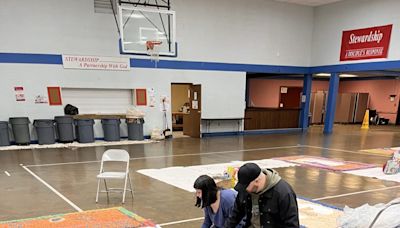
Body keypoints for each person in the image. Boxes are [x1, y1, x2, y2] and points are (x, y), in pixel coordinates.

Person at [225, 163, 299, 228]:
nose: (244, 190)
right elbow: (235, 216)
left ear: (257, 181)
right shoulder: (245, 190)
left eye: (246, 186)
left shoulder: (283, 193)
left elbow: (291, 224)